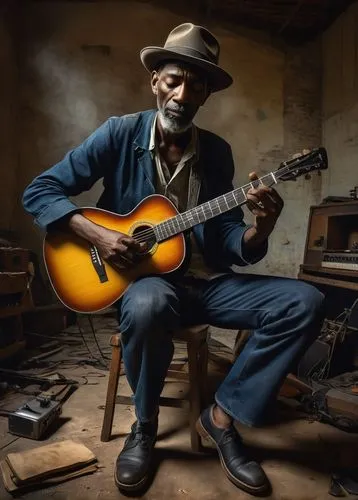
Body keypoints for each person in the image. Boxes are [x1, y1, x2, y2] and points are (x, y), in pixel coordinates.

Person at [22, 23, 325, 496]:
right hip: (150, 285)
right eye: (173, 80)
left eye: (195, 85)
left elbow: (225, 236)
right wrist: (100, 237)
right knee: (147, 304)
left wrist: (260, 228)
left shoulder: (217, 153)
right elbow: (40, 191)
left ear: (207, 94)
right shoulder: (118, 134)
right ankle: (145, 427)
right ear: (155, 81)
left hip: (207, 285)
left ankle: (221, 418)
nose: (182, 94)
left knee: (304, 300)